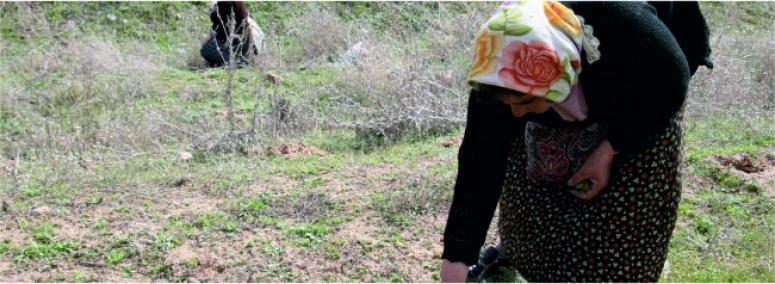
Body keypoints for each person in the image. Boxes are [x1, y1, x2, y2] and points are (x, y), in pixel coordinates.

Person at [441, 1, 712, 282]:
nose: (517, 113)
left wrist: (611, 148)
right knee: (529, 186)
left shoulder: (628, 32)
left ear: (563, 73)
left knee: (626, 209)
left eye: (525, 100)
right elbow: (478, 170)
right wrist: (455, 265)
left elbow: (670, 82)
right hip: (562, 77)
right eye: (508, 102)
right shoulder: (499, 73)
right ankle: (517, 255)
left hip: (648, 81)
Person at [200, 1, 264, 67]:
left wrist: (208, 39)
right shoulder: (237, 4)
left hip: (240, 44)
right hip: (249, 41)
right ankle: (237, 61)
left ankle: (238, 63)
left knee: (206, 49)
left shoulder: (225, 4)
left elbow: (219, 31)